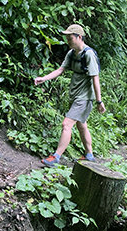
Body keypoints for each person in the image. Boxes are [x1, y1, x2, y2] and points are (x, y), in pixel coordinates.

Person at [34, 23, 106, 166]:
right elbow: (61, 70)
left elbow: (95, 78)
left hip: (85, 98)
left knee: (66, 124)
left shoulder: (89, 55)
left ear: (79, 37)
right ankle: (89, 155)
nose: (67, 41)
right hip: (75, 95)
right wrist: (44, 78)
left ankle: (56, 157)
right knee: (81, 125)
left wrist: (99, 101)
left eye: (70, 38)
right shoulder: (71, 53)